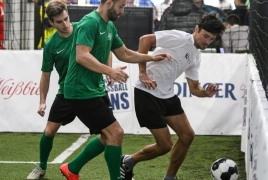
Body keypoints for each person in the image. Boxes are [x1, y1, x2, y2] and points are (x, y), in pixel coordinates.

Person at [59, 0, 171, 179]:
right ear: (109, 3)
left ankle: (72, 168)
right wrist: (110, 71)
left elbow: (124, 53)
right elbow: (82, 56)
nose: (123, 11)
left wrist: (152, 57)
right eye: (121, 6)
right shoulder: (90, 22)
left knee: (107, 137)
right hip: (79, 90)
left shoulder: (109, 26)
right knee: (116, 133)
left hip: (94, 89)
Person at [120, 12, 225, 180]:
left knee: (187, 135)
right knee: (165, 145)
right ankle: (128, 161)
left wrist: (206, 92)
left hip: (167, 95)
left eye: (211, 39)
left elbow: (194, 88)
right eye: (205, 36)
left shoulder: (196, 56)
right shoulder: (180, 38)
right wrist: (142, 72)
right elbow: (144, 40)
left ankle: (170, 177)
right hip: (147, 93)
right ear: (196, 29)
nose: (207, 41)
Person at [25, 1, 112, 179]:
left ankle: (118, 169)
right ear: (51, 23)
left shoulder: (84, 28)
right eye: (59, 22)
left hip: (92, 89)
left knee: (111, 134)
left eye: (66, 19)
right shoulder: (51, 45)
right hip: (67, 91)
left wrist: (109, 70)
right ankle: (41, 168)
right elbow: (46, 75)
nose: (65, 24)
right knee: (49, 132)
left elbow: (107, 48)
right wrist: (42, 101)